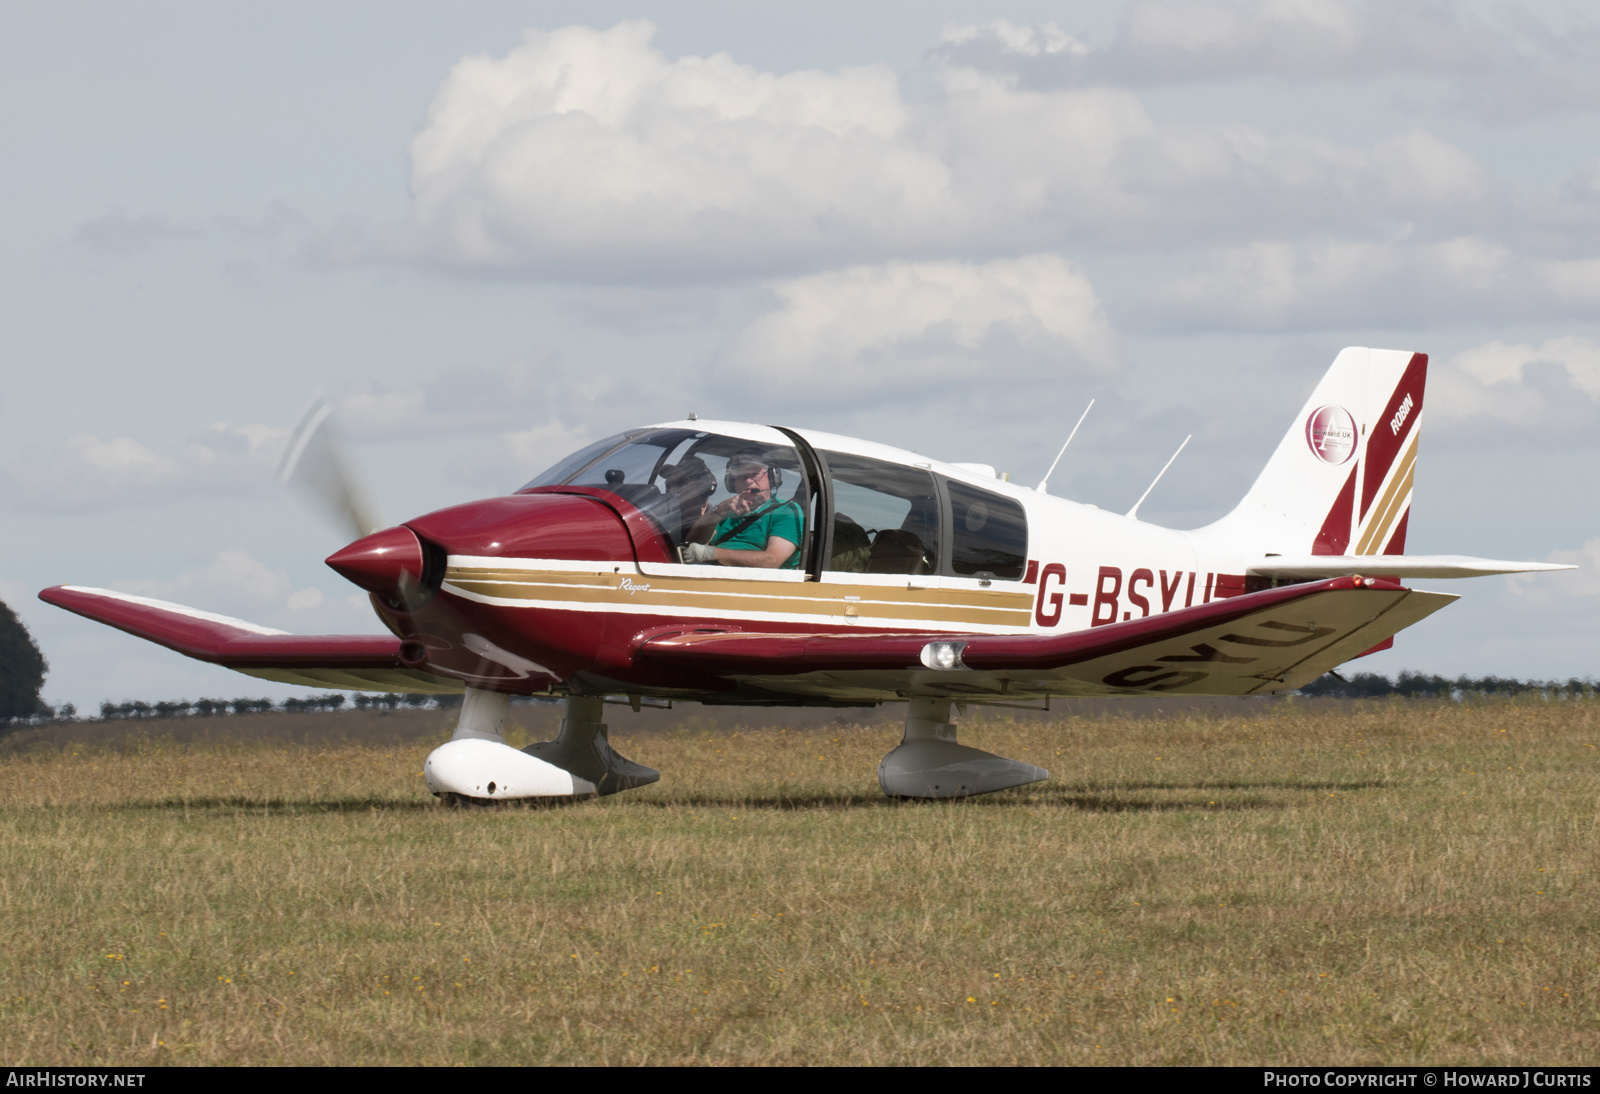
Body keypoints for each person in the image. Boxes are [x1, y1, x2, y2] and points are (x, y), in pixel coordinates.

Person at [681, 448, 803, 569]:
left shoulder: (787, 511)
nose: (749, 481)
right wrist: (717, 511)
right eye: (742, 475)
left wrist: (711, 554)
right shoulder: (726, 512)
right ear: (732, 483)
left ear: (772, 477)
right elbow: (691, 545)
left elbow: (771, 561)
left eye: (755, 474)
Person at [659, 456, 718, 543]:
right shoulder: (660, 521)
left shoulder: (717, 523)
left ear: (703, 487)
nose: (672, 490)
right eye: (669, 484)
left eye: (681, 482)